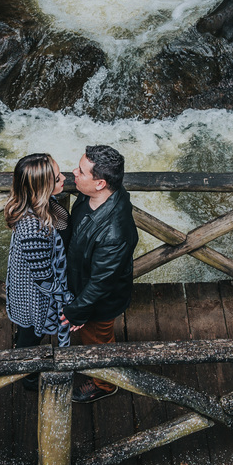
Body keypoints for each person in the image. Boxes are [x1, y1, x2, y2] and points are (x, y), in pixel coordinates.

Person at [61, 144, 139, 403]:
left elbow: (100, 283)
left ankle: (104, 384)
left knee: (98, 342)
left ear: (100, 183)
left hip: (100, 303)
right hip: (82, 282)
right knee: (96, 338)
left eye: (81, 172)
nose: (74, 172)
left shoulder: (114, 232)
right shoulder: (96, 195)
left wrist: (76, 311)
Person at [5, 153, 75, 390]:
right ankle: (29, 378)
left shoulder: (45, 203)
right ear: (42, 187)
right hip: (34, 297)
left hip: (42, 287)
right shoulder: (31, 228)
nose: (64, 178)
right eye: (57, 179)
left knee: (29, 333)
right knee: (31, 336)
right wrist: (67, 301)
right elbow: (43, 280)